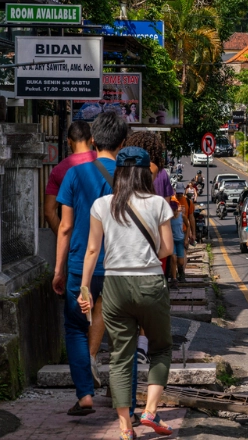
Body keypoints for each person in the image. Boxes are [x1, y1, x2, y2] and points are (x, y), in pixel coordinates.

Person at [77, 146, 175, 440]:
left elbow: (93, 250)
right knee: (160, 348)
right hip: (149, 284)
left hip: (115, 285)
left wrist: (85, 289)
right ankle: (150, 410)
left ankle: (125, 428)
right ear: (146, 173)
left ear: (118, 173)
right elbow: (167, 249)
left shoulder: (102, 205)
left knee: (120, 356)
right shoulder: (158, 204)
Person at [54, 112, 128, 417]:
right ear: (122, 143)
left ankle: (85, 394)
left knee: (74, 327)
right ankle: (124, 402)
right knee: (123, 332)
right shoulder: (128, 176)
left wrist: (58, 270)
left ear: (93, 140)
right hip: (119, 266)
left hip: (78, 266)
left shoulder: (74, 173)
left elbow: (65, 227)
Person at [44, 120, 96, 235]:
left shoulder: (59, 170)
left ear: (68, 141)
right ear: (92, 139)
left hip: (77, 240)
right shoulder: (105, 162)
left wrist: (65, 240)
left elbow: (49, 211)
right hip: (107, 239)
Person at [169, 199, 189, 288]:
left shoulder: (182, 216)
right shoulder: (168, 218)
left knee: (180, 262)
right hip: (172, 241)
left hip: (180, 240)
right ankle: (174, 279)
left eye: (174, 210)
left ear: (177, 209)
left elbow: (188, 226)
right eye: (171, 210)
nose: (173, 212)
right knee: (173, 259)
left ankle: (181, 272)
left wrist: (186, 239)